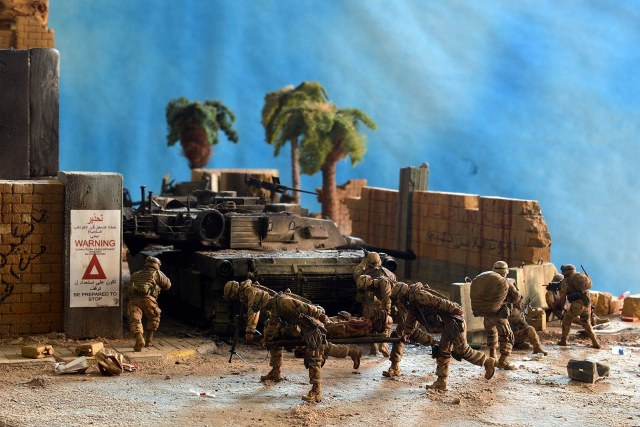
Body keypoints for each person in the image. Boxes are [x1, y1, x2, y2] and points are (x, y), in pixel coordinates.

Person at [223, 279, 362, 403]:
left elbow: (307, 307)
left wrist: (321, 316)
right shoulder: (274, 306)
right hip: (297, 326)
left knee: (315, 353)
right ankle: (275, 371)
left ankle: (317, 390)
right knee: (276, 337)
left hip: (310, 325)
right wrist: (267, 338)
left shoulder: (282, 301)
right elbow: (273, 323)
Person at [383, 281, 495, 391]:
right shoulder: (412, 303)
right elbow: (410, 321)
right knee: (443, 353)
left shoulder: (419, 296)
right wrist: (406, 334)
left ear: (402, 295)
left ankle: (487, 362)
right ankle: (441, 382)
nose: (399, 302)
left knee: (463, 351)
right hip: (446, 326)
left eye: (399, 299)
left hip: (453, 323)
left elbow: (441, 303)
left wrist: (456, 314)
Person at [127, 256, 172, 351]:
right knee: (154, 317)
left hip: (134, 300)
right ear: (157, 265)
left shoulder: (135, 274)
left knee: (135, 320)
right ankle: (149, 341)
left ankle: (139, 338)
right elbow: (167, 285)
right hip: (148, 300)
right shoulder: (157, 273)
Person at [483, 261, 521, 370]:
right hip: (499, 314)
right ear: (506, 271)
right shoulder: (506, 282)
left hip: (487, 314)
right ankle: (503, 361)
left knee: (491, 334)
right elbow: (516, 297)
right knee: (508, 337)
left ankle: (492, 357)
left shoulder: (486, 282)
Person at [555, 264, 601, 349]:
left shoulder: (566, 282)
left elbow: (562, 297)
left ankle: (563, 340)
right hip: (587, 303)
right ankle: (595, 342)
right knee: (586, 322)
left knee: (566, 319)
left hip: (577, 304)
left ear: (565, 273)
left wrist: (561, 307)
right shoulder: (581, 277)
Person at [356, 274, 392, 357]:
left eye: (367, 288)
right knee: (373, 323)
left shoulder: (383, 282)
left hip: (384, 305)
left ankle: (379, 346)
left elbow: (387, 299)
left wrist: (385, 313)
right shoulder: (369, 288)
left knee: (383, 322)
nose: (367, 290)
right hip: (378, 306)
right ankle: (378, 346)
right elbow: (364, 303)